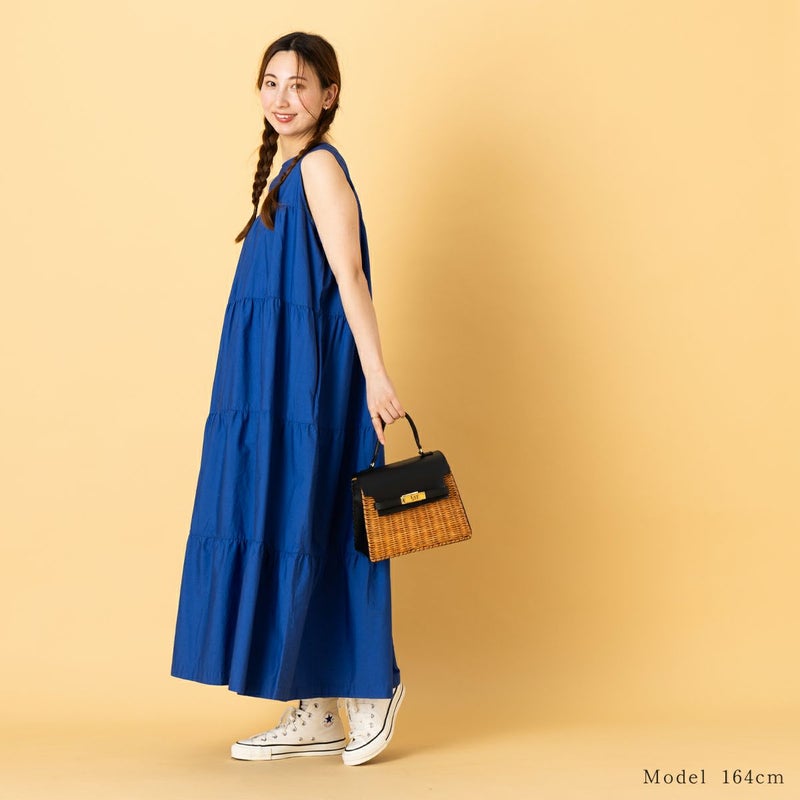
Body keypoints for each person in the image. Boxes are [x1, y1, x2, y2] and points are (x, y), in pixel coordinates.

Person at [170, 31, 405, 766]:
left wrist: (376, 374)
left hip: (313, 387)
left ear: (329, 96)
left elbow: (351, 276)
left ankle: (373, 686)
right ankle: (315, 707)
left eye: (299, 84)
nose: (283, 98)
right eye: (272, 83)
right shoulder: (286, 174)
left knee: (327, 521)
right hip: (271, 386)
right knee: (287, 521)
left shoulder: (321, 170)